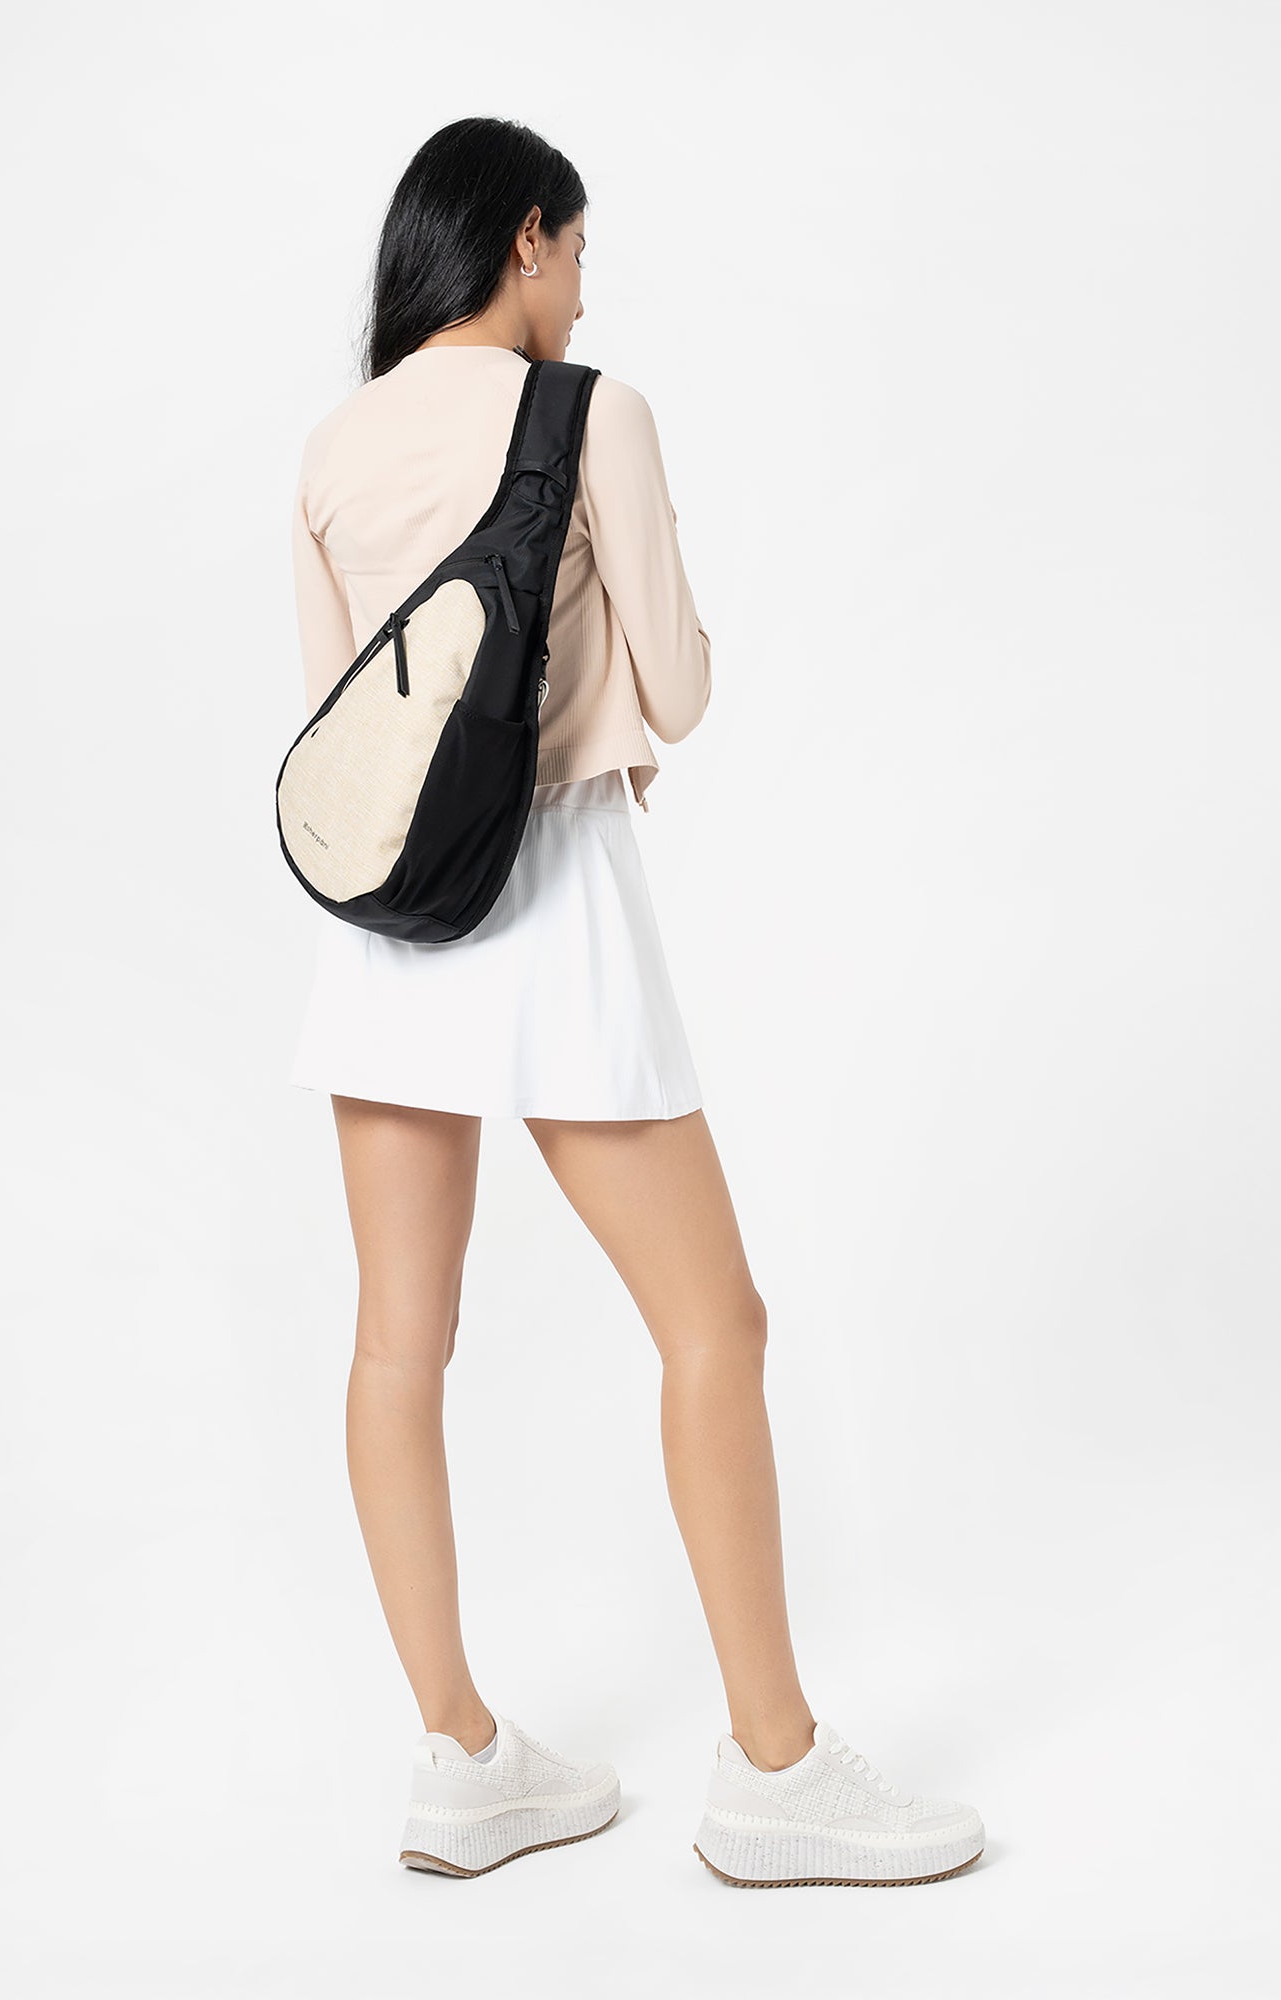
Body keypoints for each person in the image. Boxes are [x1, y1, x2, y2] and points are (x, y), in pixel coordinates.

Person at [285, 117, 984, 1888]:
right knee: (714, 1322)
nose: (586, 293)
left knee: (394, 1345)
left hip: (387, 926)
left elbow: (344, 727)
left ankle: (460, 1758)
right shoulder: (592, 413)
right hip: (555, 897)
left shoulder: (335, 447)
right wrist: (623, 677)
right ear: (524, 238)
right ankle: (775, 1770)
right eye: (580, 253)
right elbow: (674, 687)